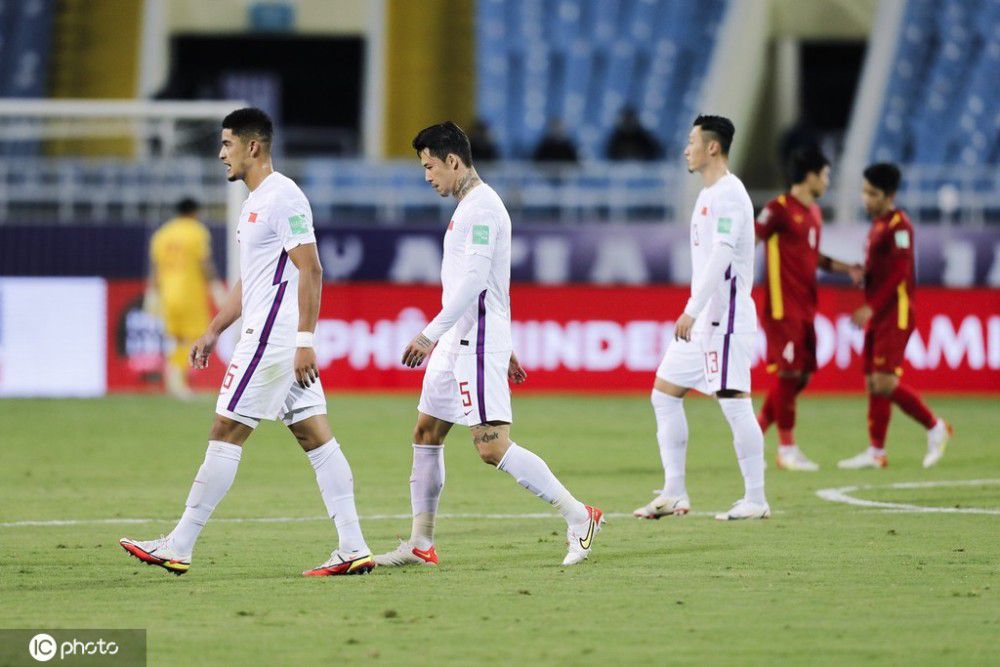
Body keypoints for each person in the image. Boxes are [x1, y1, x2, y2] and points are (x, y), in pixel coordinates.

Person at [120, 108, 374, 576]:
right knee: (315, 436)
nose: (221, 155)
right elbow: (249, 281)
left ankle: (178, 545)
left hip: (273, 341)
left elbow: (312, 269)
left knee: (226, 430)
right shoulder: (254, 203)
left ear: (252, 147)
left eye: (227, 144)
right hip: (271, 337)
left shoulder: (284, 198)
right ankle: (353, 545)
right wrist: (214, 329)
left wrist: (304, 341)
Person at [375, 121, 602, 568]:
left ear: (453, 161)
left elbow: (478, 280)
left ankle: (579, 515)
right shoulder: (469, 207)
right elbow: (495, 283)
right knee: (426, 432)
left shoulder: (481, 208)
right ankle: (422, 543)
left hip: (472, 341)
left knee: (491, 446)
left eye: (430, 166)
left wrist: (429, 333)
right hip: (461, 340)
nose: (427, 177)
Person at [634, 115, 769, 521]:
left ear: (713, 147)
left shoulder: (729, 194)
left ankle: (756, 498)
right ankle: (674, 491)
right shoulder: (709, 194)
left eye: (692, 141)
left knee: (733, 401)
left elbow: (724, 255)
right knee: (664, 393)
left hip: (724, 320)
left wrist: (692, 310)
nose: (686, 149)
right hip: (706, 321)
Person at [754, 146, 864, 471]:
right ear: (811, 174)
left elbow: (814, 255)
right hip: (780, 307)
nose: (828, 181)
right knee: (788, 374)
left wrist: (849, 269)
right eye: (826, 174)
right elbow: (749, 241)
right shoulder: (777, 209)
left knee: (800, 376)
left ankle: (754, 434)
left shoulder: (813, 213)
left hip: (805, 306)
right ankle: (787, 450)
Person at [838, 163, 952, 469]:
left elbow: (901, 273)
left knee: (886, 382)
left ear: (889, 195)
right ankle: (876, 451)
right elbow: (884, 270)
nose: (866, 198)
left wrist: (871, 306)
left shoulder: (900, 226)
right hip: (879, 314)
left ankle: (935, 426)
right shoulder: (877, 226)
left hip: (895, 313)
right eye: (864, 191)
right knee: (874, 383)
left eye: (872, 193)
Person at [146, 198, 226, 400]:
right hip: (189, 293)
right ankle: (175, 378)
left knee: (177, 338)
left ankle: (175, 378)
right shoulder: (196, 232)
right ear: (194, 212)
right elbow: (205, 263)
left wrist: (152, 293)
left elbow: (155, 268)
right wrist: (216, 287)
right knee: (197, 336)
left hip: (167, 294)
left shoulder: (162, 234)